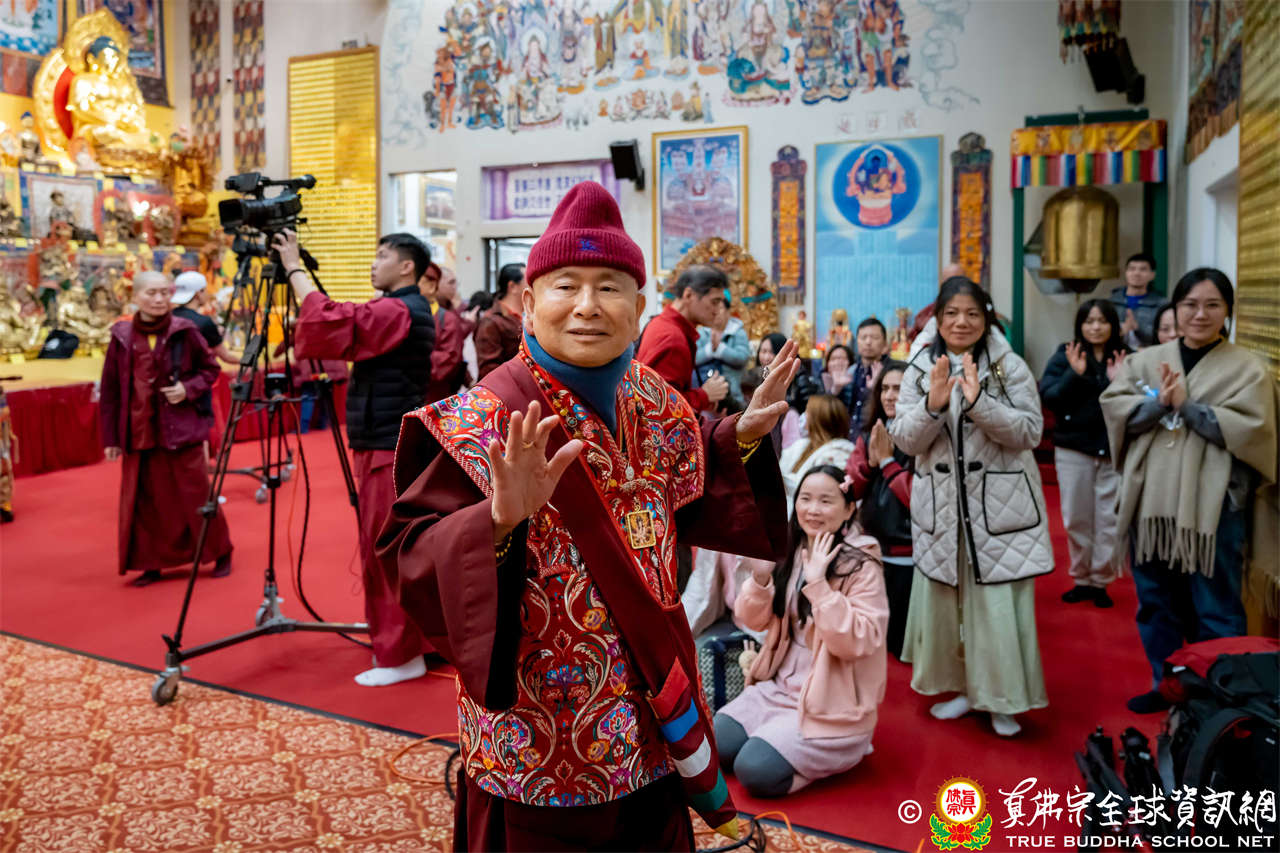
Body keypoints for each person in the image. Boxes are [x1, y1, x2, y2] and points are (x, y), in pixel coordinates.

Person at [377, 182, 797, 851]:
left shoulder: (656, 399)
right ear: (529, 302)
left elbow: (690, 482)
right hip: (541, 734)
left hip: (650, 712)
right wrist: (495, 522)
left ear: (639, 306)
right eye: (565, 285)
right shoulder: (479, 419)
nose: (587, 306)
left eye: (609, 287)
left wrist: (738, 437)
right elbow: (411, 554)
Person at [1101, 268, 1278, 714]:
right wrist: (1158, 403)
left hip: (1213, 510)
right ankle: (1166, 685)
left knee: (1215, 605)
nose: (1200, 314)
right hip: (1151, 505)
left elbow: (1254, 432)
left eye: (1212, 305)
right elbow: (1117, 412)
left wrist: (1188, 407)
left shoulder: (1248, 369)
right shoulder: (1146, 361)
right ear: (1176, 309)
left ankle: (1219, 697)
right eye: (1190, 305)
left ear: (1228, 311)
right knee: (1156, 602)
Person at [891, 277, 1052, 737]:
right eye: (952, 314)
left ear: (987, 318)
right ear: (938, 319)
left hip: (998, 509)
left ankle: (1002, 698)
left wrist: (980, 403)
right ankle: (963, 689)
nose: (961, 322)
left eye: (972, 313)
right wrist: (932, 405)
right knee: (950, 606)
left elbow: (1030, 432)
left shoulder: (1008, 366)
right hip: (942, 510)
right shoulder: (919, 366)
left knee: (996, 608)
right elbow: (905, 439)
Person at [273, 228, 434, 688]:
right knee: (396, 548)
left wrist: (293, 267)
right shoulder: (402, 308)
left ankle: (402, 655)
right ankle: (409, 641)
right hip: (386, 442)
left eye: (382, 255)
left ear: (406, 266)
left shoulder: (399, 309)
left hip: (387, 448)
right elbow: (337, 321)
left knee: (385, 552)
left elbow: (329, 318)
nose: (373, 263)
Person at [715, 465, 887, 797]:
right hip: (778, 688)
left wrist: (819, 584)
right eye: (805, 498)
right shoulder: (791, 549)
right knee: (717, 744)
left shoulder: (862, 564)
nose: (813, 509)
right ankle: (774, 740)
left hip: (832, 701)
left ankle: (846, 749)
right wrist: (760, 579)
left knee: (753, 769)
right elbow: (754, 621)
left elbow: (859, 642)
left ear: (849, 509)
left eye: (826, 501)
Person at [99, 271, 233, 586]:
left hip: (180, 429)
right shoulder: (122, 336)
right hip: (139, 431)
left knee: (195, 494)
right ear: (135, 297)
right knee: (146, 501)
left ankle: (220, 551)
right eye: (151, 293)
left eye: (164, 293)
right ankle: (151, 563)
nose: (159, 300)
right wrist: (111, 437)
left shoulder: (185, 331)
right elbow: (111, 390)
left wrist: (188, 388)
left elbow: (210, 368)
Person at [1039, 300, 1128, 608]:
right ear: (1080, 325)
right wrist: (1074, 375)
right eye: (1089, 321)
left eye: (1102, 321)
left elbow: (1142, 399)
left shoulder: (1125, 356)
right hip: (1073, 449)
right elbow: (1049, 398)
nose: (1096, 327)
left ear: (1113, 325)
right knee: (1076, 517)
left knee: (1108, 520)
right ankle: (1081, 578)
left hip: (1113, 450)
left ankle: (1100, 581)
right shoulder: (1066, 353)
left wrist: (1119, 383)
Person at [846, 360, 913, 659]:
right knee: (874, 644)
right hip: (873, 548)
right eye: (884, 388)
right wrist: (870, 464)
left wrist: (888, 462)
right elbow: (850, 490)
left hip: (910, 552)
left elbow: (919, 499)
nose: (889, 395)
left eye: (898, 389)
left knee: (900, 649)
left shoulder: (923, 438)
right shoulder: (870, 433)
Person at [636, 264, 730, 412]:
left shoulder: (662, 323)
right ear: (688, 295)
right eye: (714, 302)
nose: (718, 310)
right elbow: (660, 408)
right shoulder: (672, 337)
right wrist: (704, 395)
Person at [779, 394, 854, 513]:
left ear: (821, 418)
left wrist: (779, 478)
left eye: (807, 412)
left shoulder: (839, 453)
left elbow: (818, 491)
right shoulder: (802, 445)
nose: (803, 416)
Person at [420, 263, 470, 402]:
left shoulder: (448, 317)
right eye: (451, 283)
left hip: (435, 397)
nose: (455, 288)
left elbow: (451, 358)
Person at [171, 270, 237, 365]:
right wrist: (247, 361)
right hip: (196, 372)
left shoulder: (169, 316)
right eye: (205, 290)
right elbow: (226, 357)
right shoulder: (204, 322)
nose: (207, 293)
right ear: (198, 293)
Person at [696, 297, 750, 408]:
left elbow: (742, 357)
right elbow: (693, 358)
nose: (715, 312)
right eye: (712, 308)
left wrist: (720, 349)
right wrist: (710, 350)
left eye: (719, 308)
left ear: (728, 311)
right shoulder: (701, 332)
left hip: (733, 397)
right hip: (704, 396)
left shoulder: (738, 332)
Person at [475, 262, 526, 378]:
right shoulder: (491, 321)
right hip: (510, 386)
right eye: (528, 280)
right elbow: (488, 370)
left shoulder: (530, 314)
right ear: (512, 287)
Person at [1108, 252, 1164, 350]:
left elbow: (1164, 336)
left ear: (1152, 275)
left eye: (1143, 269)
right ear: (1126, 273)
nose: (1137, 273)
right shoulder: (1111, 302)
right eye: (1132, 269)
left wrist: (1138, 328)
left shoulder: (1161, 304)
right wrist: (1119, 331)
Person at [849, 317, 890, 430]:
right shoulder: (851, 371)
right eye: (863, 337)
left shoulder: (891, 372)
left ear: (885, 343)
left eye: (875, 338)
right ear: (857, 341)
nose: (868, 342)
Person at [820, 344, 855, 411]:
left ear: (850, 363)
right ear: (827, 363)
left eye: (842, 359)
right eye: (833, 359)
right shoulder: (818, 381)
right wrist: (835, 389)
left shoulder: (855, 382)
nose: (837, 363)